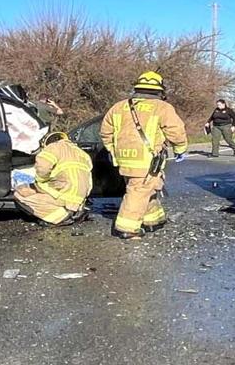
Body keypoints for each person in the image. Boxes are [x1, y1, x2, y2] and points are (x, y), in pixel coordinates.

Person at [99, 71, 189, 239]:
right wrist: (180, 149)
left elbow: (105, 132)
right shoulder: (162, 107)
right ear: (159, 91)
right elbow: (176, 131)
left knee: (145, 188)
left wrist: (113, 150)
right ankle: (127, 227)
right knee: (139, 190)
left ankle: (153, 220)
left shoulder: (118, 107)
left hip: (124, 159)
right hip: (147, 159)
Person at [12, 132, 93, 226]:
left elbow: (43, 167)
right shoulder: (83, 154)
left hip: (63, 192)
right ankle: (76, 211)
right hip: (79, 197)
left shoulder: (53, 147)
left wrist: (41, 181)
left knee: (20, 193)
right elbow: (89, 179)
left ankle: (62, 217)